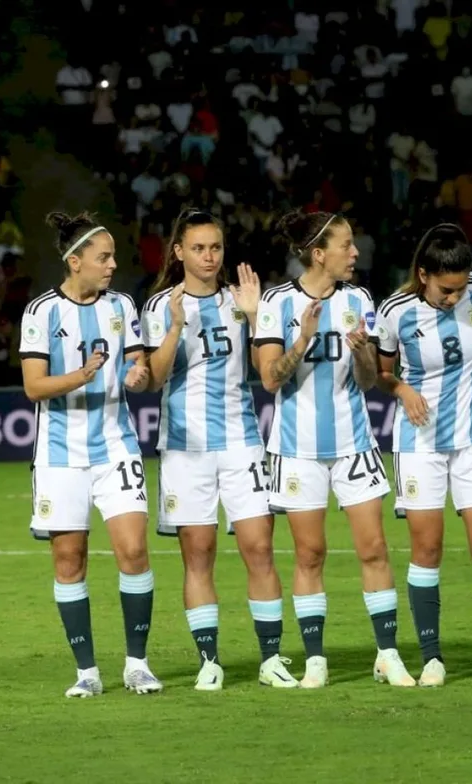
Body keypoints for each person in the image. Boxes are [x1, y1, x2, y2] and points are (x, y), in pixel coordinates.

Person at [255, 210, 413, 688]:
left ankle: (387, 653)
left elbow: (367, 380)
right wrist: (303, 337)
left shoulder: (359, 299)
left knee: (375, 549)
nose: (356, 252)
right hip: (297, 449)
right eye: (346, 245)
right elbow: (269, 378)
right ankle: (316, 659)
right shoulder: (276, 302)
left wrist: (364, 351)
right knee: (310, 555)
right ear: (319, 253)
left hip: (354, 443)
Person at [140, 208, 297, 689]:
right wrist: (173, 326)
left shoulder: (240, 300)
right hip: (185, 447)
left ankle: (271, 658)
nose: (210, 256)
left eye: (216, 248)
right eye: (200, 248)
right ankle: (209, 660)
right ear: (179, 252)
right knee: (199, 553)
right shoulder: (159, 306)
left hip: (241, 441)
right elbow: (155, 379)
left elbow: (266, 373)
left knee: (259, 547)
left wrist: (254, 318)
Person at [376, 223, 472, 685]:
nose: (454, 297)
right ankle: (431, 657)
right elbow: (383, 372)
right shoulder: (395, 311)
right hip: (420, 443)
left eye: (460, 288)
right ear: (423, 274)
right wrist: (402, 388)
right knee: (427, 549)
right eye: (446, 289)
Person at [21, 212, 160, 697]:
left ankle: (137, 665)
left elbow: (135, 362)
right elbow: (34, 387)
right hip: (59, 453)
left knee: (134, 551)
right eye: (103, 257)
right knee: (69, 559)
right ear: (74, 261)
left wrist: (136, 374)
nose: (112, 265)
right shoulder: (40, 312)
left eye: (113, 256)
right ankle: (87, 673)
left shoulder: (122, 305)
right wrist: (81, 376)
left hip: (115, 446)